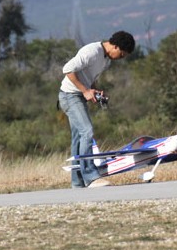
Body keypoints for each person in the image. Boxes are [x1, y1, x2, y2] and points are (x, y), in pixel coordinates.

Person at [58, 31, 135, 188]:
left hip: (78, 96)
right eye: (121, 54)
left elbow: (88, 78)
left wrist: (93, 90)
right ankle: (91, 177)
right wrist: (85, 91)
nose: (121, 58)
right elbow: (67, 69)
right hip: (69, 96)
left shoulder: (106, 61)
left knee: (78, 138)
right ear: (115, 46)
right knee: (87, 131)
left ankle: (77, 182)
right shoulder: (92, 51)